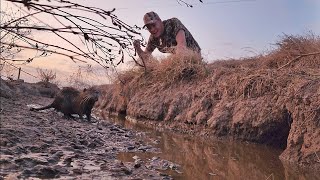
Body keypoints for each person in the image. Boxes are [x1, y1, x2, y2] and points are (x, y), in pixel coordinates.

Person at [133, 11, 201, 61]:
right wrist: (138, 48)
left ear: (159, 21)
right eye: (149, 28)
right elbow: (146, 56)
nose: (152, 29)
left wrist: (175, 65)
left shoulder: (173, 23)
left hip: (194, 54)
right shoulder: (153, 38)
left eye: (154, 25)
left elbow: (181, 45)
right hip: (178, 57)